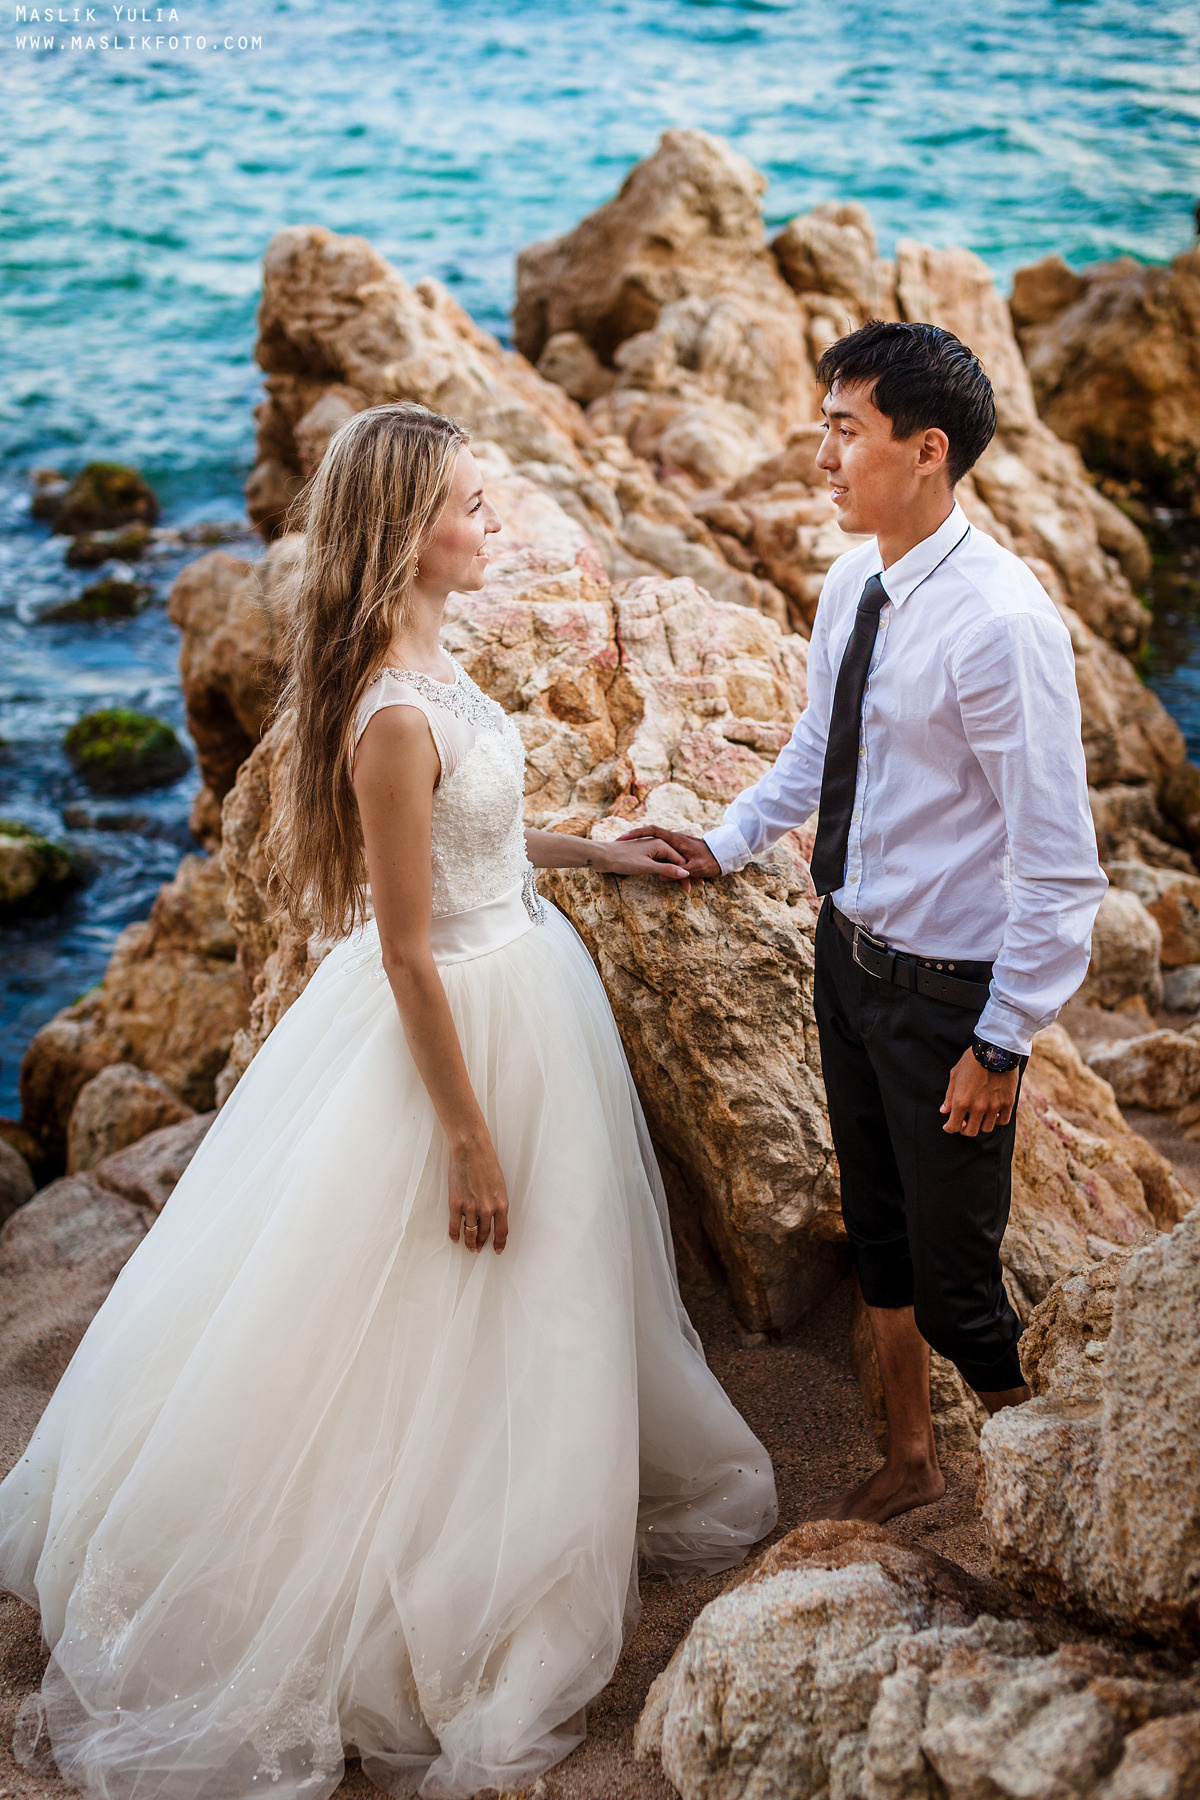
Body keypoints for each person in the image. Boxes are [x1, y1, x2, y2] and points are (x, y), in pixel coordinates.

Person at [0, 401, 777, 1800]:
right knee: (452, 1281)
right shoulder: (390, 713)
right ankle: (417, 1567)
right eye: (473, 507)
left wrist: (599, 852)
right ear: (407, 537)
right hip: (458, 1026)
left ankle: (512, 1501)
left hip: (524, 978)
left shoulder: (436, 667)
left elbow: (475, 837)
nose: (493, 525)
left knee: (532, 1301)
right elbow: (410, 945)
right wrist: (469, 1136)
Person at [623, 320, 1108, 1526]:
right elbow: (814, 756)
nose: (821, 455)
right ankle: (913, 1459)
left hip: (950, 997)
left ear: (927, 450)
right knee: (878, 1238)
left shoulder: (1003, 626)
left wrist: (1000, 1045)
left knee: (957, 1286)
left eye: (847, 430)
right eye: (823, 426)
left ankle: (1064, 1502)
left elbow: (1059, 869)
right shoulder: (856, 582)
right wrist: (724, 841)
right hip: (846, 958)